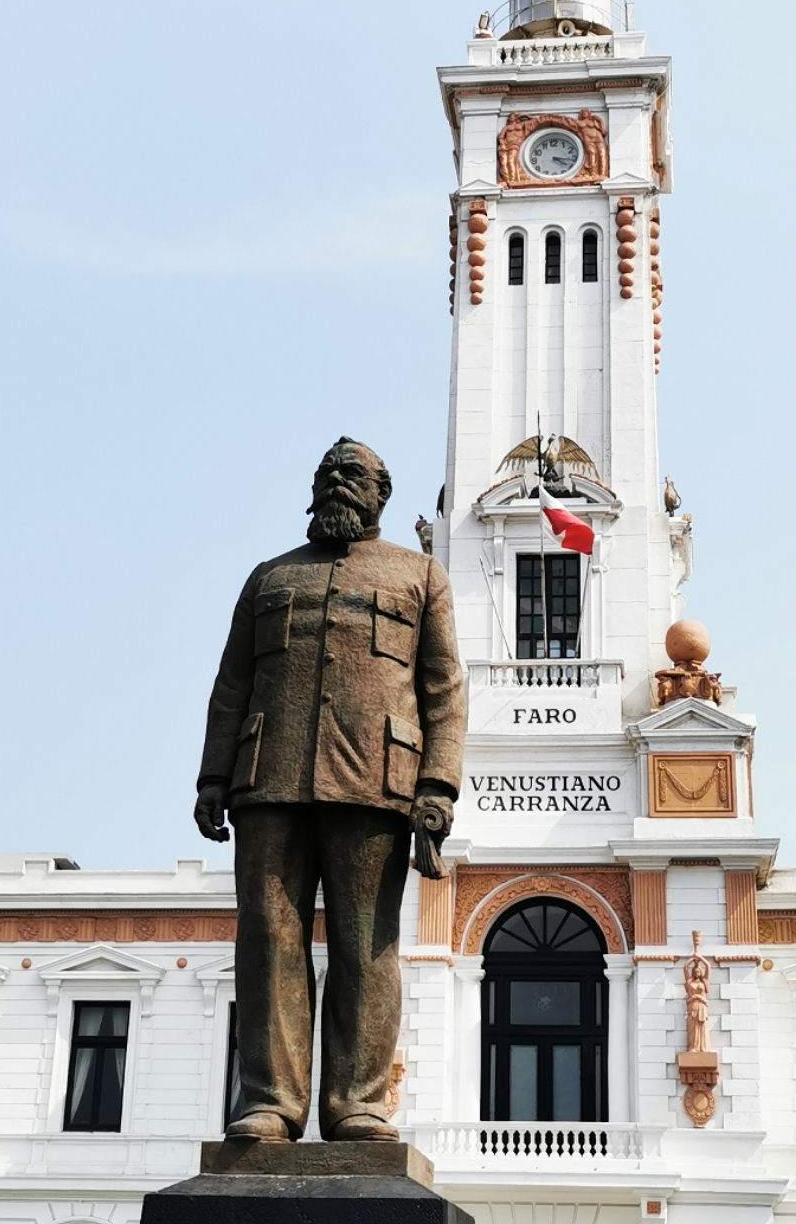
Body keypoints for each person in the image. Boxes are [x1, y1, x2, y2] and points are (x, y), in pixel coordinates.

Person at [194, 438, 465, 1143]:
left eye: (355, 476)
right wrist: (212, 778)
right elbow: (231, 685)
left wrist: (437, 785)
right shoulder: (268, 577)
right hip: (269, 781)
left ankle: (357, 1103)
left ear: (382, 493)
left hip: (377, 782)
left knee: (365, 946)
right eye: (328, 475)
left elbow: (443, 689)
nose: (339, 485)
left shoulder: (421, 575)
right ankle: (271, 1101)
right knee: (267, 942)